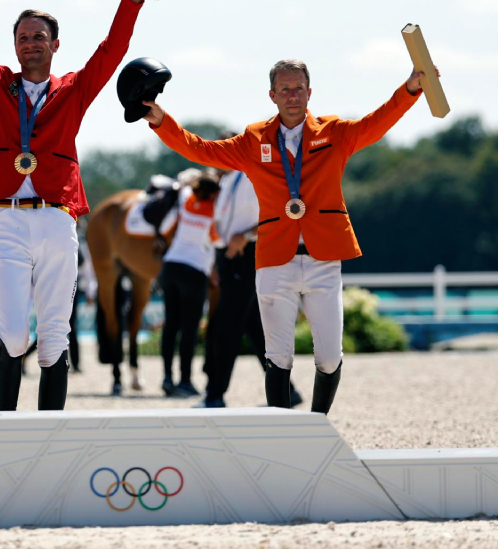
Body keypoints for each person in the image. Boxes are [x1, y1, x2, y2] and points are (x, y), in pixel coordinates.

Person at [0, 0, 159, 410]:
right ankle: (4, 432)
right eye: (22, 37)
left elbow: (113, 48)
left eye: (39, 37)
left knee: (54, 337)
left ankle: (49, 439)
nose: (30, 43)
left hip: (57, 217)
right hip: (5, 217)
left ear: (55, 45)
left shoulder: (74, 90)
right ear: (14, 46)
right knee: (15, 334)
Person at [143, 59, 433, 414]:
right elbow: (202, 149)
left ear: (310, 93)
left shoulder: (335, 132)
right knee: (277, 356)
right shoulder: (254, 139)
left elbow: (377, 124)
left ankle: (317, 422)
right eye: (285, 89)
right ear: (272, 95)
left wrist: (410, 91)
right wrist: (162, 122)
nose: (292, 95)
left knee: (328, 357)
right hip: (274, 259)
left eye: (298, 88)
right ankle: (285, 431)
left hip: (323, 258)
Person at [199, 166, 302, 408]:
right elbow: (222, 224)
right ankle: (287, 391)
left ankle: (215, 395)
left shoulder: (251, 175)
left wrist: (246, 235)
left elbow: (279, 211)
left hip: (246, 254)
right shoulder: (226, 182)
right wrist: (217, 258)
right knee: (254, 327)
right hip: (229, 257)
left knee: (227, 327)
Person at [156, 172, 220, 397]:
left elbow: (164, 229)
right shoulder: (215, 210)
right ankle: (184, 381)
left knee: (171, 325)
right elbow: (217, 240)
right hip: (195, 271)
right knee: (189, 329)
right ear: (214, 193)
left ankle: (166, 377)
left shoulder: (185, 200)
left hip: (170, 266)